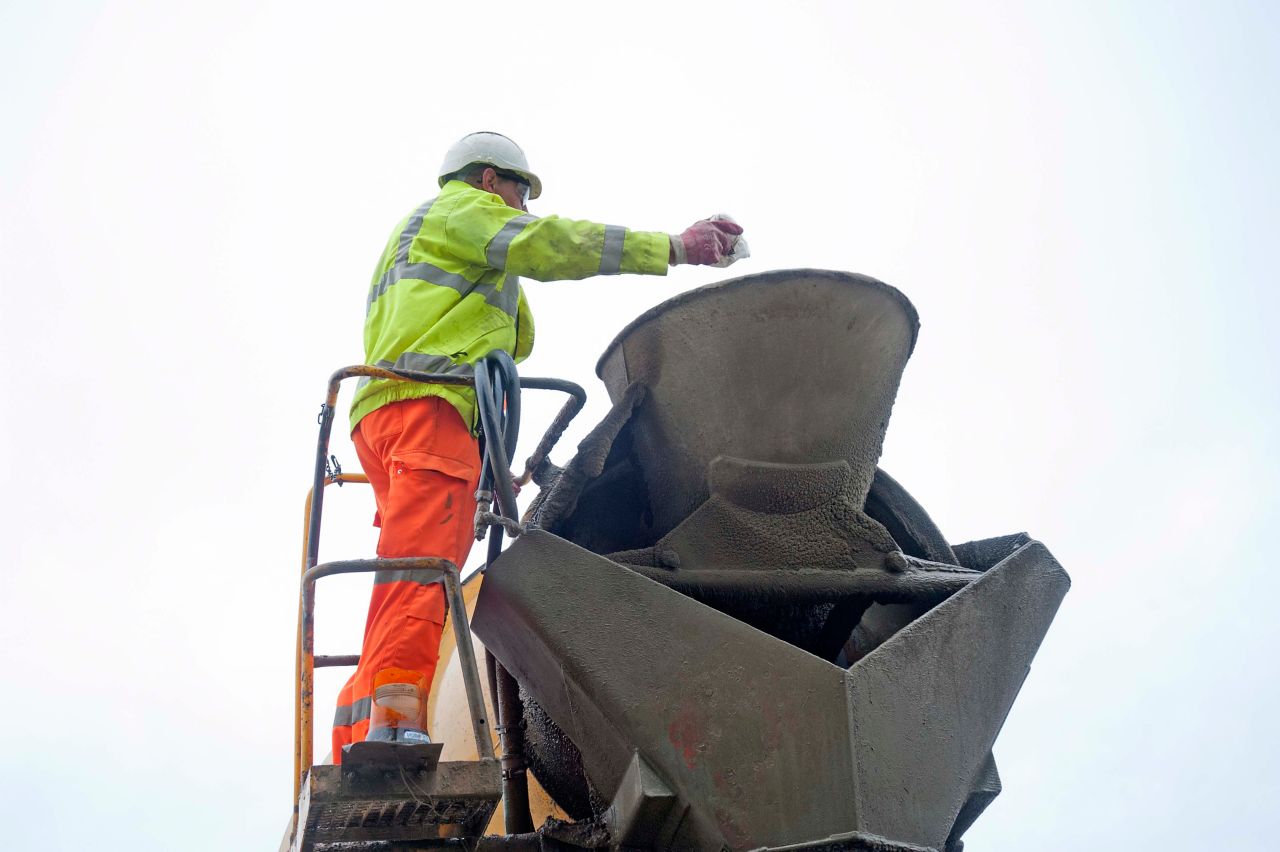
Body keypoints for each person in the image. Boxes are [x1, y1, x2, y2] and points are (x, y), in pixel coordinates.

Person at [331, 131, 746, 760]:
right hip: (431, 409)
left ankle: (355, 734)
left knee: (403, 569)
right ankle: (393, 725)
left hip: (387, 414)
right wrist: (675, 247)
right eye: (520, 193)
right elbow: (553, 244)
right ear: (489, 179)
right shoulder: (466, 211)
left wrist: (497, 462)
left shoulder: (418, 238)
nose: (522, 209)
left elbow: (511, 338)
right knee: (425, 568)